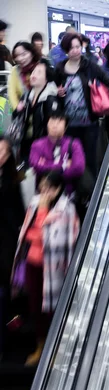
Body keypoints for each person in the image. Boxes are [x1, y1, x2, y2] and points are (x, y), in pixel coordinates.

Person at [12, 170, 79, 365]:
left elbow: (48, 237)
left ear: (58, 189)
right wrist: (37, 231)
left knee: (53, 309)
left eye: (49, 188)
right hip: (34, 265)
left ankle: (55, 349)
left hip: (55, 268)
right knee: (36, 307)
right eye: (43, 186)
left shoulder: (66, 209)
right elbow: (26, 235)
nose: (44, 191)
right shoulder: (34, 203)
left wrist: (41, 215)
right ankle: (40, 347)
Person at [54, 33, 109, 178]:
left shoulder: (89, 66)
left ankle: (91, 193)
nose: (75, 50)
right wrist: (58, 91)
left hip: (89, 121)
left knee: (90, 158)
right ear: (65, 50)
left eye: (77, 46)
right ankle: (74, 190)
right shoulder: (59, 68)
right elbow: (53, 88)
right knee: (70, 158)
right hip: (68, 123)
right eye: (71, 48)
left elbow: (108, 80)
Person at [0, 138, 25, 356]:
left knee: (4, 288)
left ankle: (5, 336)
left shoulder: (12, 181)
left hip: (6, 238)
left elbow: (18, 212)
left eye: (3, 152)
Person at [15, 59, 61, 164]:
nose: (34, 75)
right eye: (33, 72)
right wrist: (18, 110)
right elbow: (17, 117)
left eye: (39, 72)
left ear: (47, 78)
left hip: (43, 147)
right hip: (26, 143)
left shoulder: (50, 100)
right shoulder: (27, 96)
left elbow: (55, 129)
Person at [29, 111, 85, 195]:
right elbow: (35, 166)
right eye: (51, 121)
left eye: (59, 122)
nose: (54, 125)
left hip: (68, 193)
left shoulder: (74, 144)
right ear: (47, 124)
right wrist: (64, 165)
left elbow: (78, 169)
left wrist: (46, 164)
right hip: (43, 192)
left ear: (65, 127)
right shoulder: (37, 144)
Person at [8, 41, 42, 110]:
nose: (20, 58)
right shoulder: (15, 70)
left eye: (24, 54)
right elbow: (12, 92)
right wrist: (17, 106)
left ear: (32, 53)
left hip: (41, 112)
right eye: (17, 56)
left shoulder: (41, 67)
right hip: (24, 113)